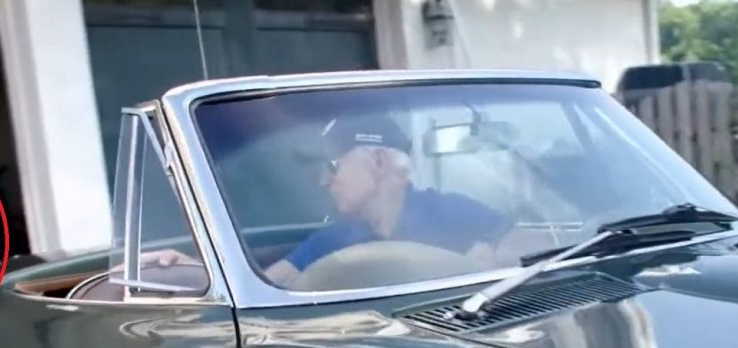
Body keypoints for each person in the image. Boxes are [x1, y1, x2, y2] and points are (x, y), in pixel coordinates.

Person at [143, 113, 513, 288]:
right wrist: (190, 268)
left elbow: (523, 250)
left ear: (379, 161)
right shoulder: (330, 240)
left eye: (333, 165)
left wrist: (487, 249)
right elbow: (263, 285)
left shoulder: (456, 212)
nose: (325, 181)